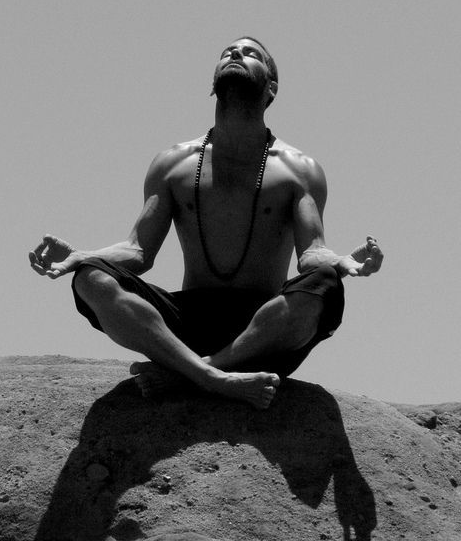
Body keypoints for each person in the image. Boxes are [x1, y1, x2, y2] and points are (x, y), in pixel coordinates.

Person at [29, 36, 383, 409]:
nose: (235, 54)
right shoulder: (174, 164)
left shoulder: (299, 169)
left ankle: (194, 372)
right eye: (228, 52)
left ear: (271, 87)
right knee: (90, 277)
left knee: (326, 285)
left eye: (251, 54)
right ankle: (212, 378)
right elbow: (138, 251)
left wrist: (343, 263)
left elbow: (312, 252)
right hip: (185, 324)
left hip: (261, 330)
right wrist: (81, 256)